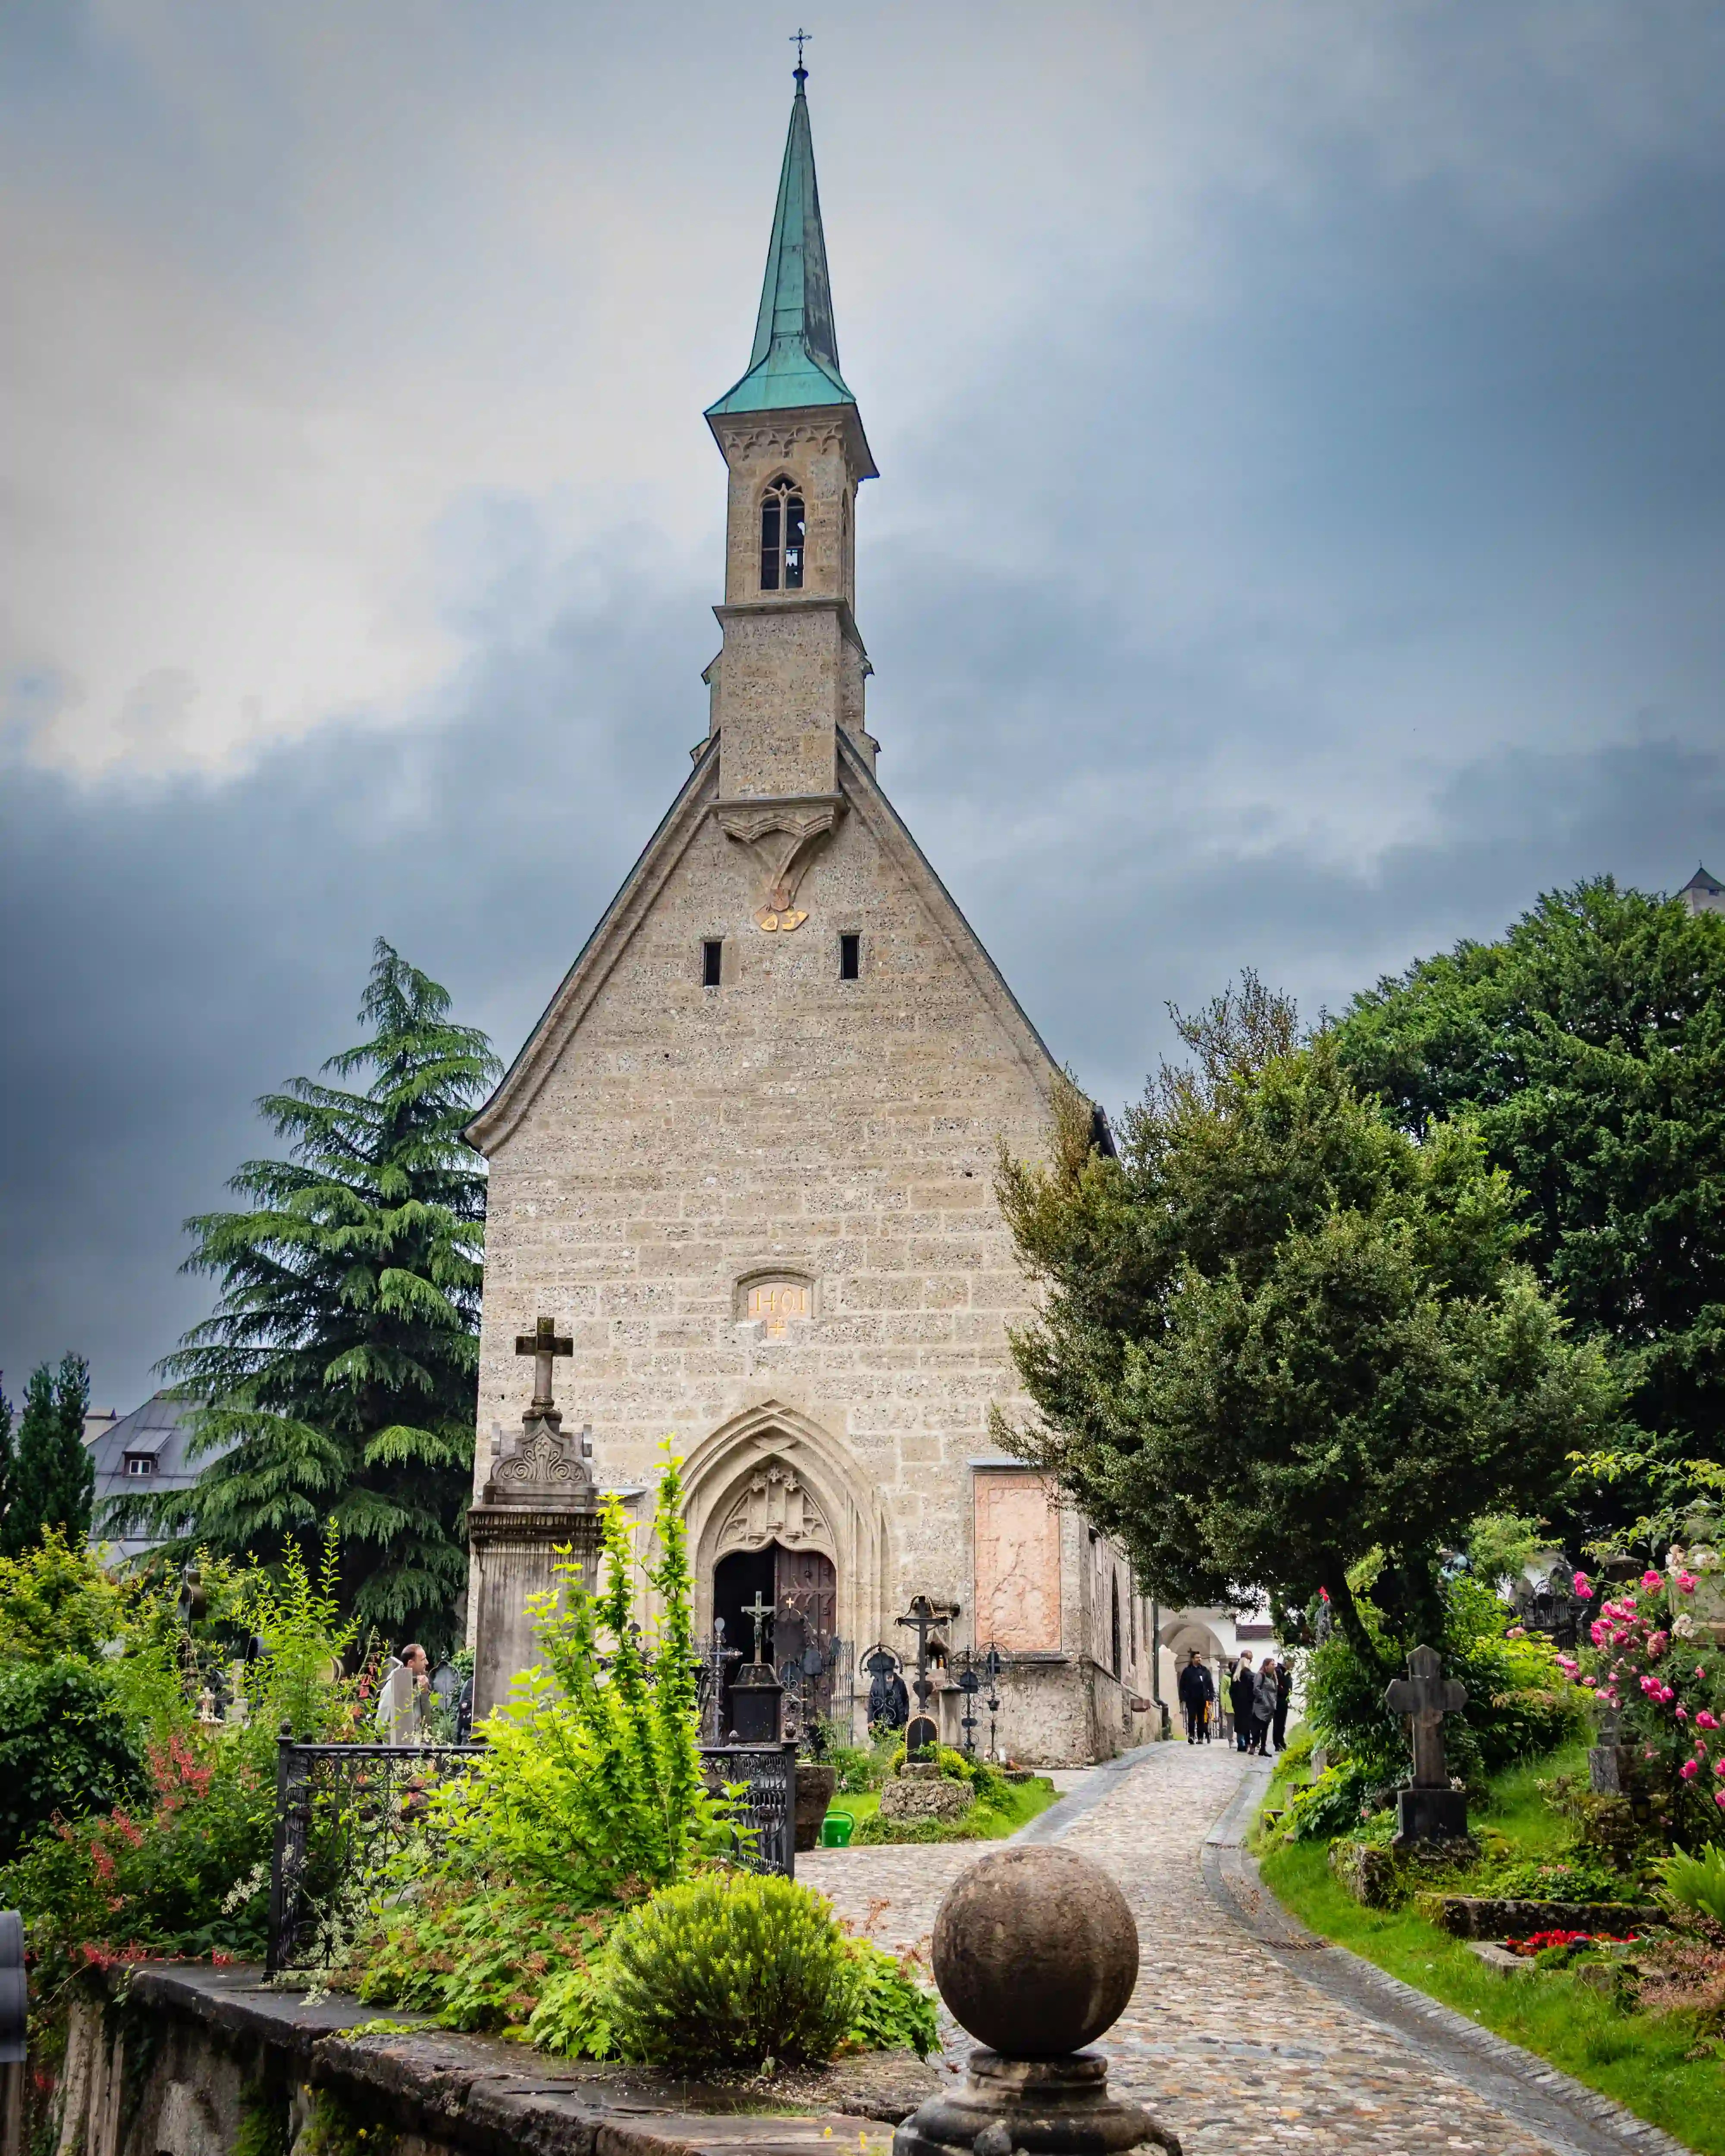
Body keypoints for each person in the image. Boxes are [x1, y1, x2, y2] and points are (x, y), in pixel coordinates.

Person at [375, 1641, 430, 1743]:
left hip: (416, 1754)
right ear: (411, 1663)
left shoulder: (418, 1684)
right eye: (423, 1660)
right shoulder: (392, 1686)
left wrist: (425, 1693)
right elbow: (380, 1727)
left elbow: (427, 1722)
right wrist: (407, 1743)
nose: (427, 1663)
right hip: (397, 1755)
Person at [1176, 1648, 1213, 1744]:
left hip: (1202, 1697)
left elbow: (1210, 1685)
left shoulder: (1205, 1671)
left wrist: (1211, 1697)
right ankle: (1191, 1735)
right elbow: (1182, 1685)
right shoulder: (1187, 1671)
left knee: (1201, 1718)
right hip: (1191, 1698)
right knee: (1191, 1717)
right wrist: (1183, 1697)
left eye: (1200, 1658)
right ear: (1192, 1659)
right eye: (1197, 1658)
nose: (1199, 1659)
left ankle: (1200, 1737)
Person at [1249, 1655, 1278, 1757]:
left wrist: (1273, 1703)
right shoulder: (1260, 1676)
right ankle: (1253, 1746)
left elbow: (1275, 1691)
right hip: (1261, 1706)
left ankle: (1263, 1748)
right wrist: (1263, 1700)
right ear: (1266, 1666)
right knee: (1258, 1727)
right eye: (1272, 1664)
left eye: (1274, 1664)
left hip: (1270, 1707)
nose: (1274, 1666)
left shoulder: (1273, 1677)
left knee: (1265, 1728)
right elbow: (1256, 1689)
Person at [1229, 1652, 1256, 1752]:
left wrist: (1235, 1702)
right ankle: (1248, 1743)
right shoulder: (1251, 1676)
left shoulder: (1236, 1677)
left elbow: (1232, 1691)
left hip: (1239, 1704)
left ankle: (1242, 1744)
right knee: (1248, 1724)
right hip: (1248, 1703)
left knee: (1240, 1724)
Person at [1273, 1658, 1293, 1752]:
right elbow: (1280, 1685)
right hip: (1279, 1699)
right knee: (1278, 1723)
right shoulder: (1279, 1671)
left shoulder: (1286, 1672)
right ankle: (1277, 1743)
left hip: (1284, 1699)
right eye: (1292, 1663)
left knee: (1282, 1723)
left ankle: (1281, 1741)